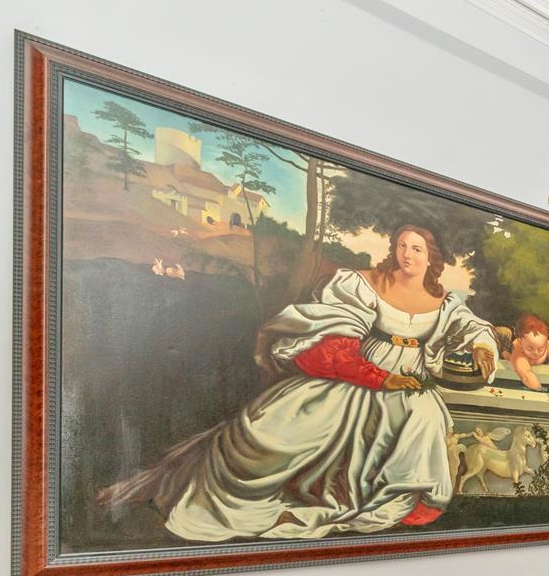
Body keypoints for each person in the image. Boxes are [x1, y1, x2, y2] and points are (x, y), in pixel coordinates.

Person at [102, 225, 498, 540]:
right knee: (281, 429)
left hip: (411, 382)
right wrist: (375, 376)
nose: (407, 255)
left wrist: (482, 347)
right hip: (357, 375)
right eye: (402, 246)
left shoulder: (443, 301)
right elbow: (335, 333)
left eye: (417, 249)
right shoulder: (364, 283)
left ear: (432, 259)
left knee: (424, 418)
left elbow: (472, 326)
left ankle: (407, 499)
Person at [504, 312, 549, 390]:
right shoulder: (518, 353)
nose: (536, 352)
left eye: (540, 349)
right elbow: (526, 376)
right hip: (507, 347)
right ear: (520, 342)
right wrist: (540, 389)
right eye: (530, 348)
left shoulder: (546, 344)